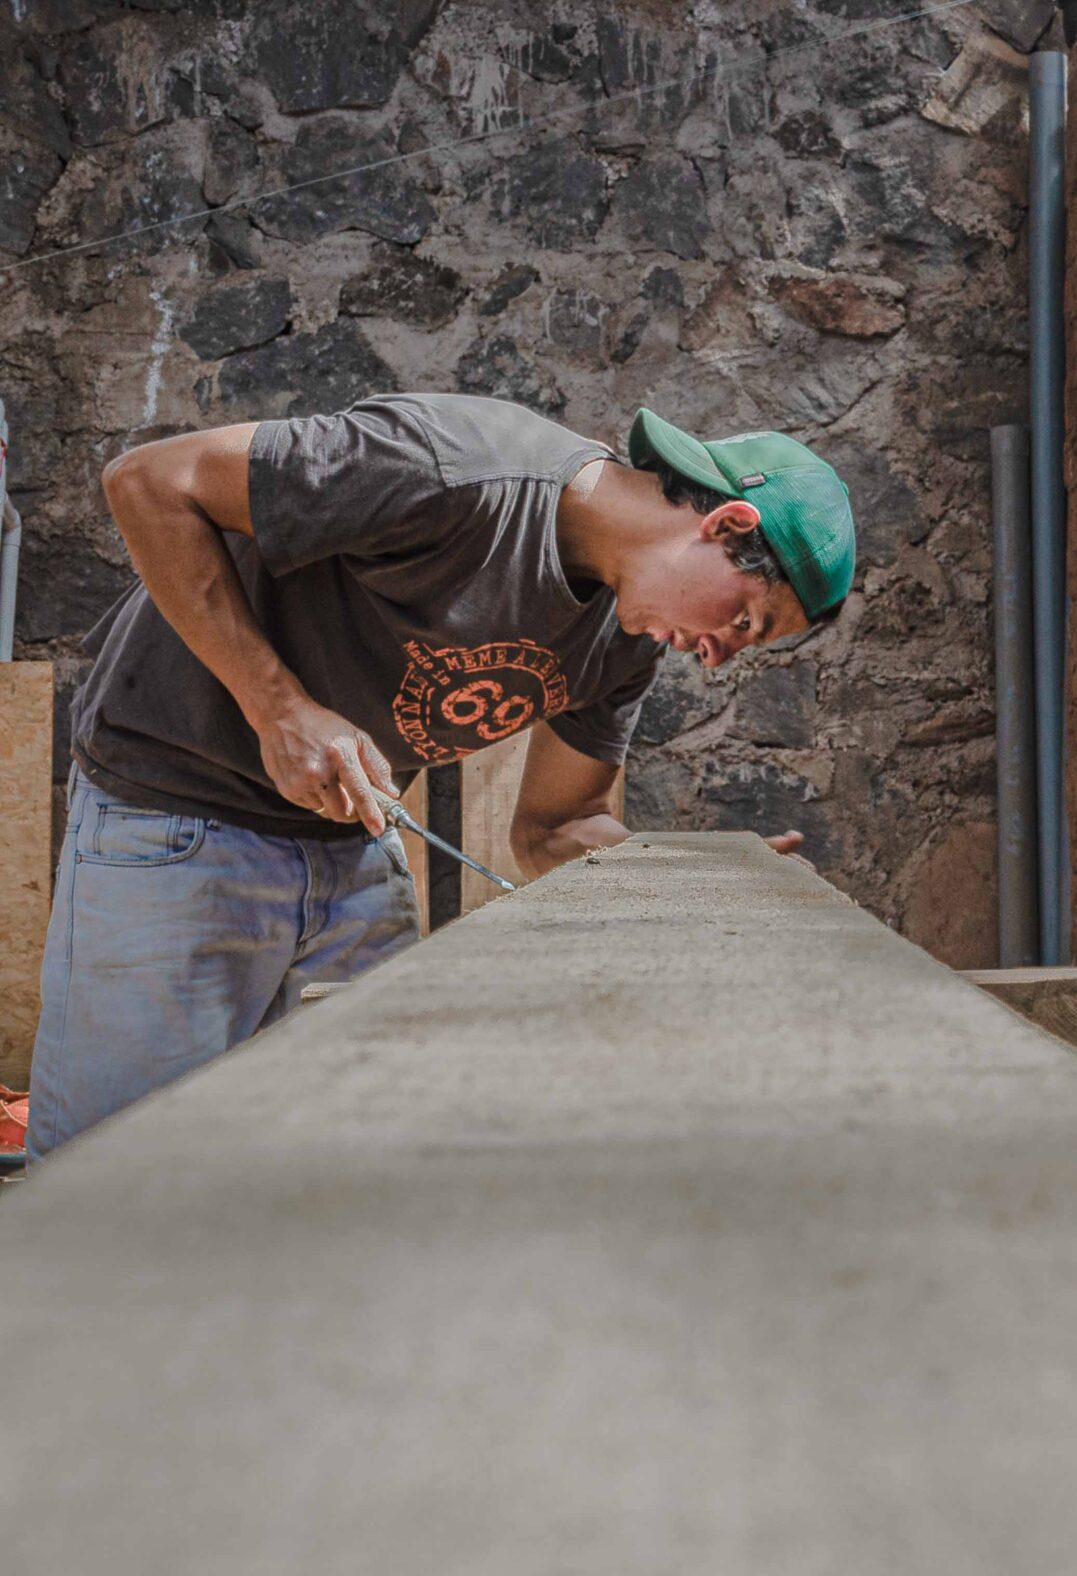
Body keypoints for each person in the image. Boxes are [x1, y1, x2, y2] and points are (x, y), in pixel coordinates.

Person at [28, 393, 857, 1154]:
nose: (716, 656)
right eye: (743, 620)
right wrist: (276, 708)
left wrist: (693, 883)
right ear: (725, 524)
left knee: (358, 1164)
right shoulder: (455, 468)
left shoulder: (624, 640)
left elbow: (555, 829)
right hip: (177, 811)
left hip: (354, 835)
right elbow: (148, 479)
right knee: (113, 1174)